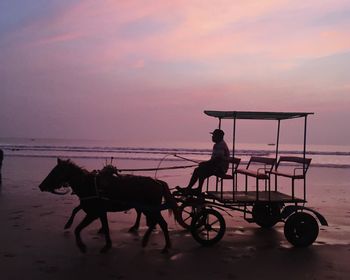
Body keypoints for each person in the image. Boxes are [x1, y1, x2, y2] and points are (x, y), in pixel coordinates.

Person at [177, 129, 230, 194]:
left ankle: (190, 189)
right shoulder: (218, 144)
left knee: (198, 170)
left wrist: (205, 163)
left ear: (219, 136)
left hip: (220, 168)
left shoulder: (220, 145)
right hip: (217, 166)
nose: (212, 137)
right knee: (200, 170)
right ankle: (196, 189)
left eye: (214, 135)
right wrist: (205, 164)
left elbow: (217, 160)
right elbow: (214, 160)